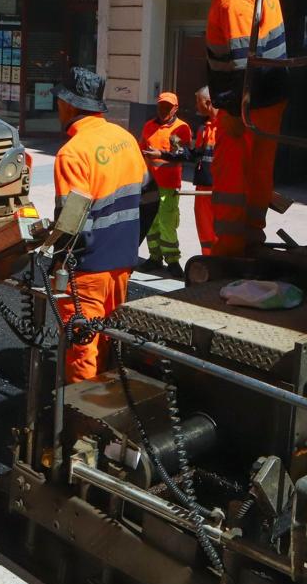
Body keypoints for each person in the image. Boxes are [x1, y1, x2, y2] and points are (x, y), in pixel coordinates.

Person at [178, 0, 288, 258]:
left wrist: (234, 113)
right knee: (258, 169)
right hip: (271, 96)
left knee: (229, 176)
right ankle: (252, 235)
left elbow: (243, 64)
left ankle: (229, 246)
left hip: (248, 103)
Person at [52, 67, 148, 383]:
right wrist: (130, 242)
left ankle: (82, 421)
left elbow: (72, 222)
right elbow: (151, 196)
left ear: (68, 104)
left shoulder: (73, 153)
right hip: (122, 262)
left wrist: (58, 263)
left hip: (89, 270)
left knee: (82, 346)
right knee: (110, 333)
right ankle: (109, 402)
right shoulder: (125, 139)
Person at [140, 91, 192, 277]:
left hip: (168, 185)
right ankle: (154, 257)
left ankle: (172, 260)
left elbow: (183, 155)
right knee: (151, 223)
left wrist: (160, 155)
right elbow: (141, 151)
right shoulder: (148, 126)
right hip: (149, 184)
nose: (163, 110)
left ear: (175, 108)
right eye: (161, 106)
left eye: (168, 107)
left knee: (167, 223)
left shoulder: (181, 128)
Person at [192, 86, 219, 256]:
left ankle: (216, 260)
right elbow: (196, 154)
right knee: (204, 230)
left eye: (198, 102)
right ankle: (207, 260)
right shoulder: (204, 128)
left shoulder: (223, 128)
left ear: (208, 103)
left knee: (217, 231)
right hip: (202, 189)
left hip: (217, 190)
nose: (196, 106)